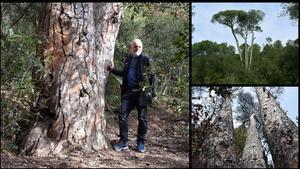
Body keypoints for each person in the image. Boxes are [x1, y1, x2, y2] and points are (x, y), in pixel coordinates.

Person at [107, 39, 156, 153]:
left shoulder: (145, 59)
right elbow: (124, 74)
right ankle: (123, 142)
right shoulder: (128, 59)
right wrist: (112, 70)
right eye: (135, 46)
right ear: (131, 47)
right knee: (122, 115)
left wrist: (154, 92)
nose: (137, 48)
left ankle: (141, 143)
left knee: (142, 118)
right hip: (128, 93)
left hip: (141, 94)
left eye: (139, 46)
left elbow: (152, 76)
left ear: (141, 47)